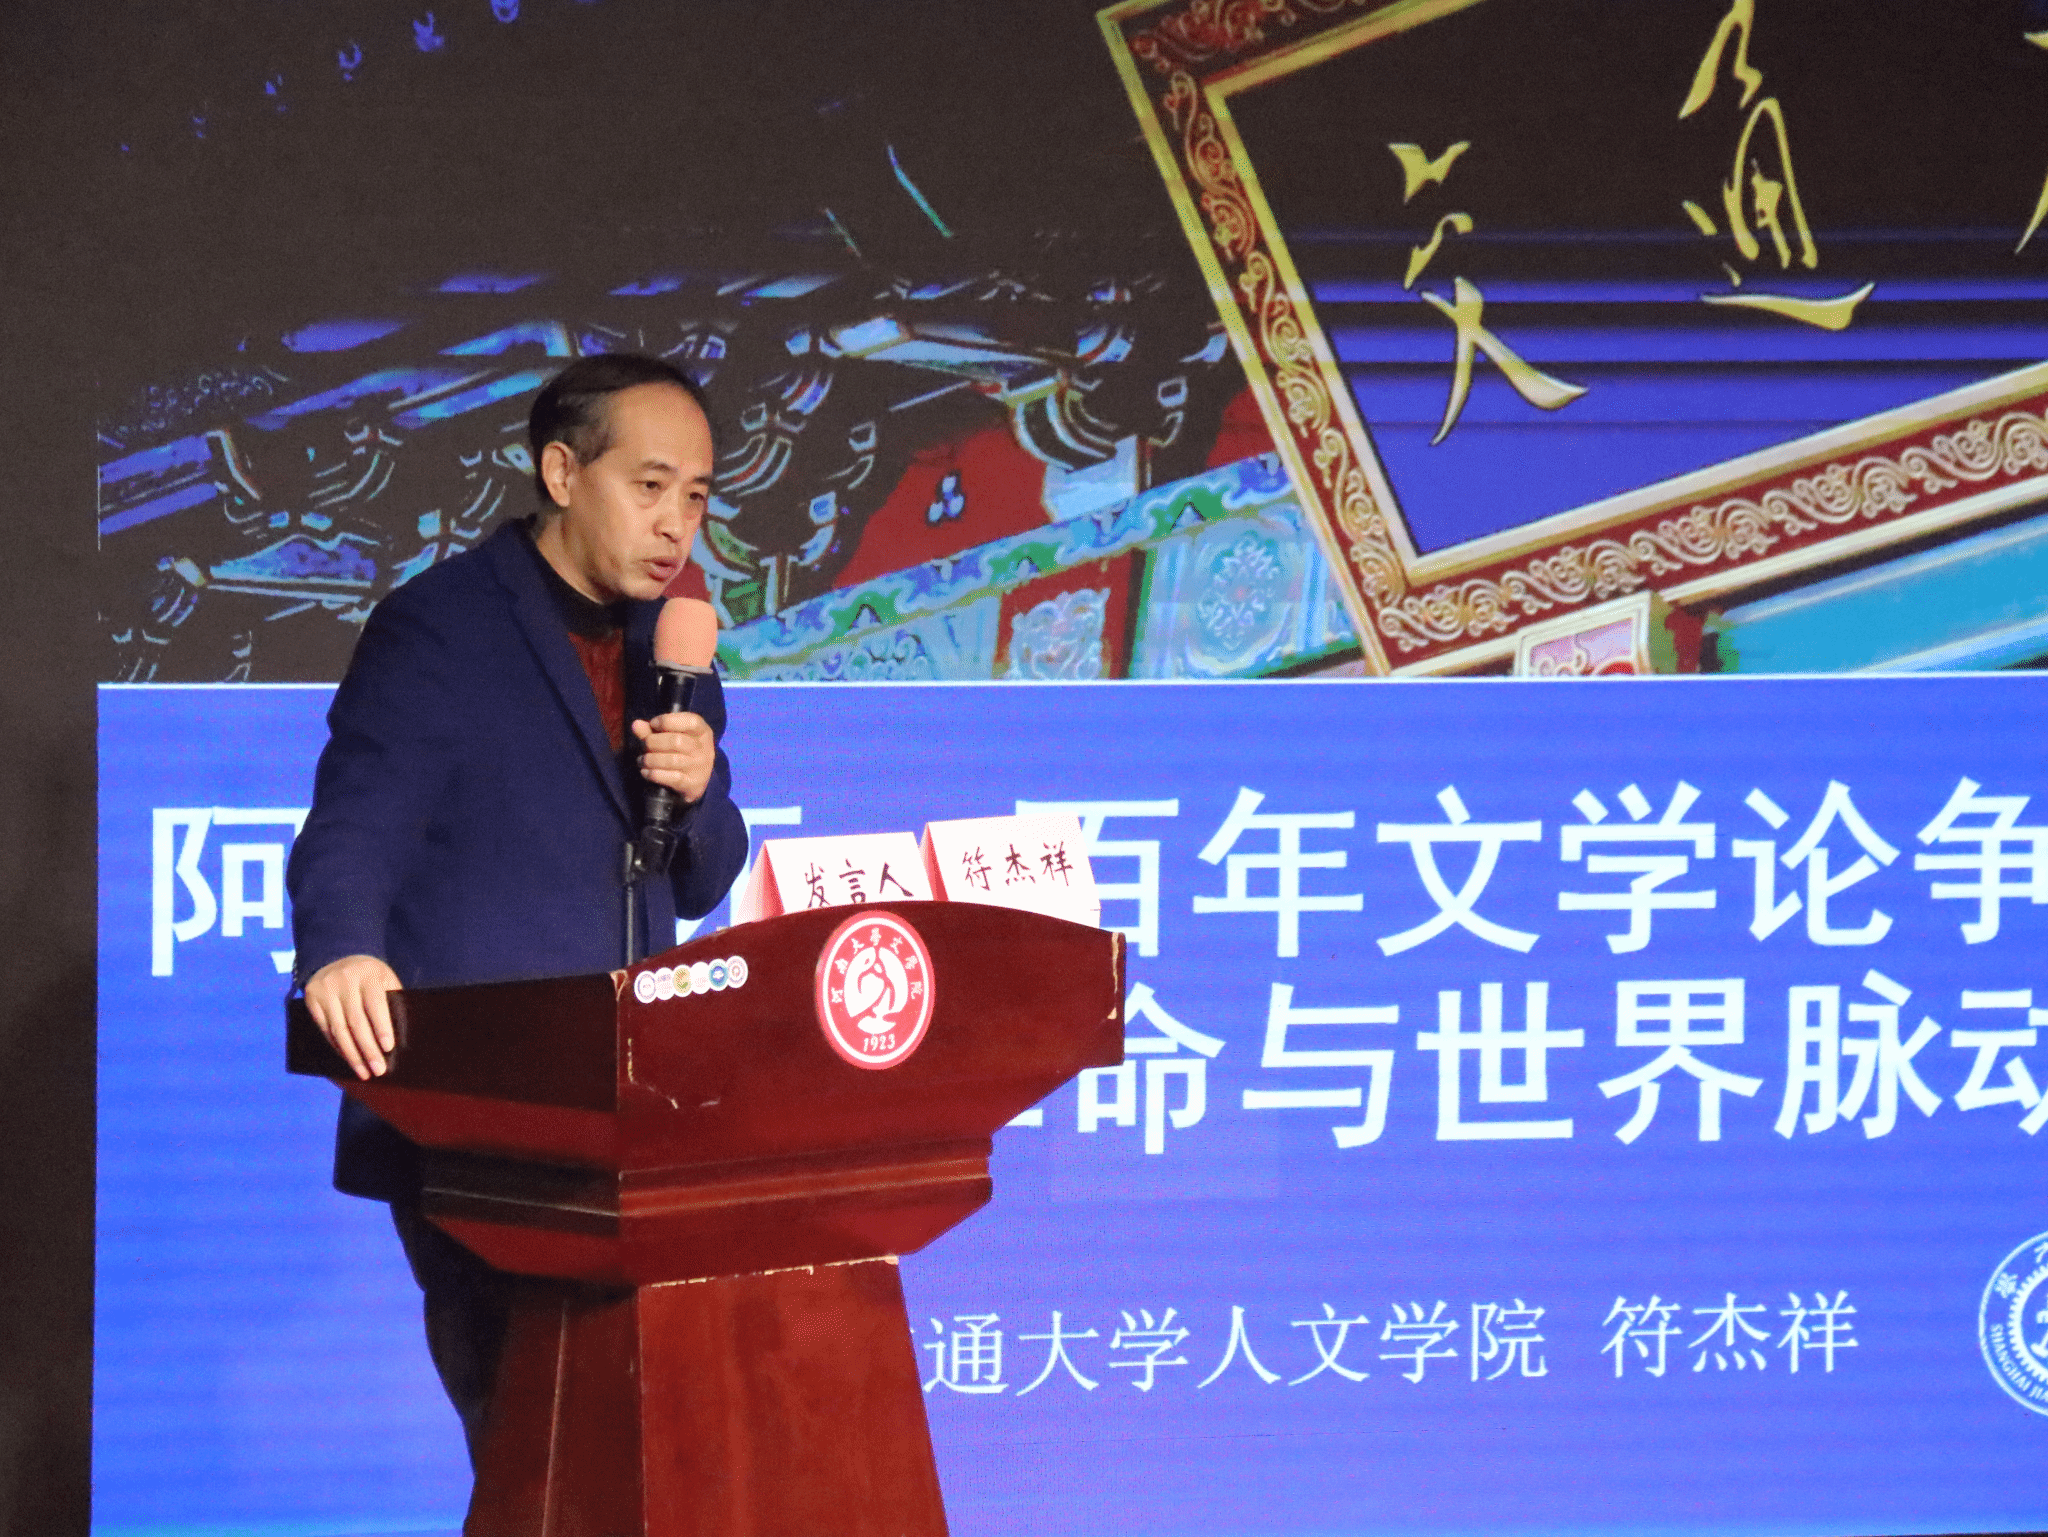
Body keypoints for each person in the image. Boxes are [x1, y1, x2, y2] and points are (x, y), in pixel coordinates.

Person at [285, 352, 751, 1461]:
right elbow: (357, 819)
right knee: (529, 1443)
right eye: (649, 486)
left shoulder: (672, 646)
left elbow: (701, 875)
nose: (675, 523)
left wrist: (697, 793)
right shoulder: (442, 625)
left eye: (695, 495)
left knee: (622, 1451)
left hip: (632, 1110)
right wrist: (341, 948)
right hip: (480, 1110)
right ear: (561, 472)